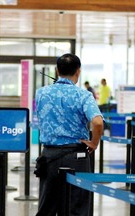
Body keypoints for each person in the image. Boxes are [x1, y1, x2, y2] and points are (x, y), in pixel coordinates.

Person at [34, 53, 103, 216]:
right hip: (76, 156)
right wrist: (94, 143)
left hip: (49, 156)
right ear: (78, 71)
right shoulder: (83, 95)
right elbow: (98, 122)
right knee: (77, 208)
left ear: (57, 71)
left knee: (47, 207)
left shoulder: (41, 93)